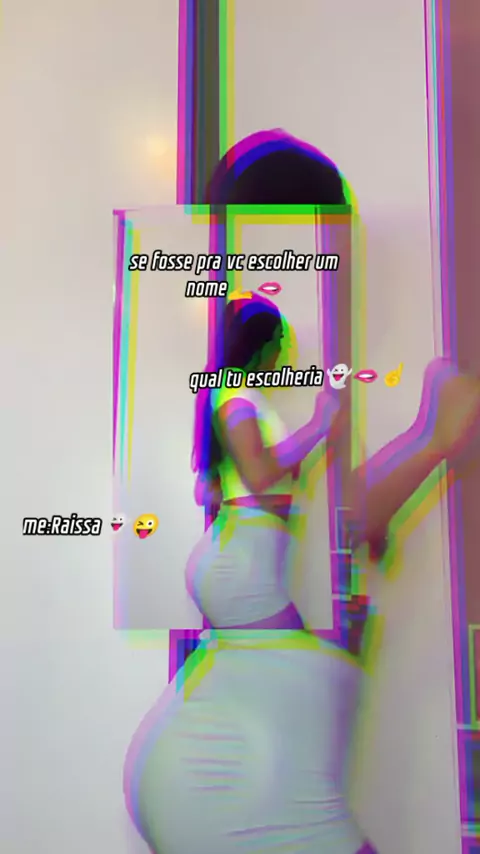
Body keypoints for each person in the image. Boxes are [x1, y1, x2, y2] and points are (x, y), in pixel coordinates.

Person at [124, 130, 480, 854]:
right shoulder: (250, 388)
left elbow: (334, 530)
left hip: (236, 756)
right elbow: (330, 516)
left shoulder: (253, 375)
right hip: (243, 775)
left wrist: (424, 447)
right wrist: (432, 440)